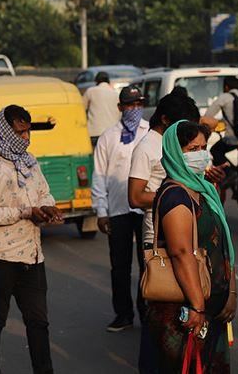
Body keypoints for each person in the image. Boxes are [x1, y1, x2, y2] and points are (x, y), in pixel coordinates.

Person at [0, 105, 62, 374]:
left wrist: (48, 209)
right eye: (20, 133)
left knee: (38, 322)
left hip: (32, 255)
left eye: (27, 132)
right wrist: (26, 211)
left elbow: (45, 194)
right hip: (0, 256)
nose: (25, 138)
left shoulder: (30, 162)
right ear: (4, 131)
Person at [147, 120, 236, 374]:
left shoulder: (203, 189)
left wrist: (231, 291)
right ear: (176, 152)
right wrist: (198, 306)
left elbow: (222, 242)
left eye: (203, 147)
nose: (200, 154)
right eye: (191, 149)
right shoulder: (176, 196)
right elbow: (181, 253)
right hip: (185, 309)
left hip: (209, 306)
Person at [92, 85, 149, 332]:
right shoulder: (109, 137)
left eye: (138, 105)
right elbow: (99, 176)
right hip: (118, 210)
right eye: (129, 105)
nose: (134, 109)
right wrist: (101, 211)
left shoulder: (149, 133)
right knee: (120, 266)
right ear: (120, 108)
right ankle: (123, 313)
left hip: (145, 208)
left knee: (148, 264)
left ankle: (148, 312)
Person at [204, 76, 238, 166]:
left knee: (215, 151)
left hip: (233, 139)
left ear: (226, 87)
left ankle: (229, 173)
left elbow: (208, 116)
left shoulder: (225, 97)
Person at [82, 72, 120, 147]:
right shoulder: (115, 94)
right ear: (108, 81)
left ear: (96, 81)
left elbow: (82, 108)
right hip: (112, 133)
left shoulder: (90, 91)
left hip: (94, 132)